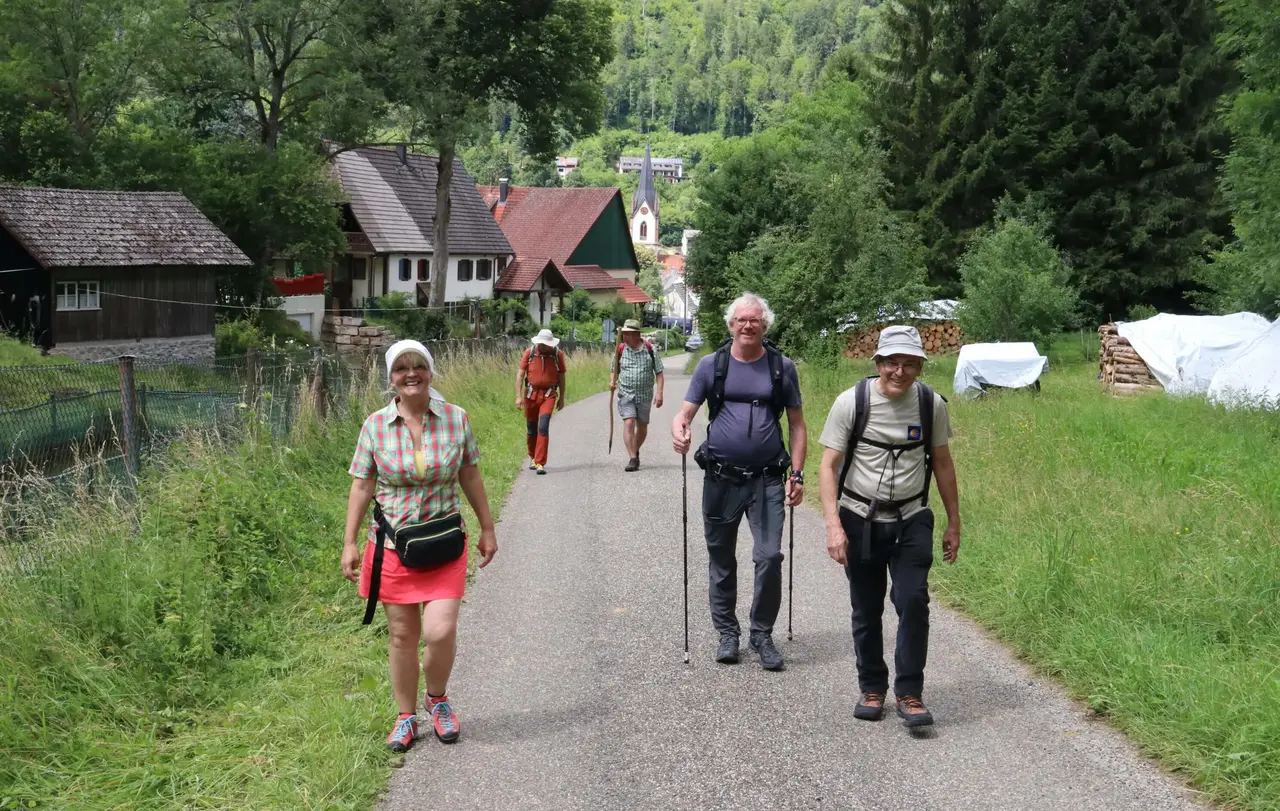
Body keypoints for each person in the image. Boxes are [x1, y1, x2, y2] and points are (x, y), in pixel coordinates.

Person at [343, 339, 499, 752]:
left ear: (430, 372)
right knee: (401, 636)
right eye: (401, 369)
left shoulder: (456, 418)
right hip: (393, 547)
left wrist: (487, 527)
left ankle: (438, 698)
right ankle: (405, 716)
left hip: (444, 542)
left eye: (418, 367)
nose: (410, 374)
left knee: (440, 630)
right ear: (390, 378)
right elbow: (362, 485)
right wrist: (349, 543)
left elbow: (471, 475)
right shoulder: (375, 425)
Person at [816, 325, 961, 728]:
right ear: (878, 363)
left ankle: (910, 692)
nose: (900, 371)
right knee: (866, 607)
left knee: (913, 600)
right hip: (859, 519)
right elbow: (828, 467)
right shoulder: (852, 402)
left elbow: (944, 467)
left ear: (920, 366)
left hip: (912, 517)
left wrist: (954, 523)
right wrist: (833, 525)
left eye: (910, 363)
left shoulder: (931, 405)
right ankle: (872, 688)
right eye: (892, 362)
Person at [671, 292, 807, 671]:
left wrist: (796, 473)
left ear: (765, 325)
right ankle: (727, 633)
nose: (748, 326)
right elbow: (684, 413)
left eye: (755, 320)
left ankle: (761, 633)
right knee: (721, 558)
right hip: (720, 478)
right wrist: (679, 430)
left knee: (769, 556)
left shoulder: (782, 367)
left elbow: (797, 425)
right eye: (741, 320)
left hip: (767, 479)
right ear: (731, 325)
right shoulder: (712, 366)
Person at [610, 318, 665, 471]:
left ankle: (635, 449)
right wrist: (612, 381)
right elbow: (613, 369)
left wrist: (659, 393)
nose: (625, 337)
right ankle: (633, 458)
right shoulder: (620, 349)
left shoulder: (650, 349)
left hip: (645, 395)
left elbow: (659, 373)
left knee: (642, 426)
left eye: (627, 334)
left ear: (636, 335)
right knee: (629, 422)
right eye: (624, 334)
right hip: (626, 394)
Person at [516, 329, 567, 474]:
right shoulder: (529, 353)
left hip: (549, 395)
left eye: (546, 344)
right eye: (542, 344)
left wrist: (562, 397)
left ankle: (540, 462)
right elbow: (520, 375)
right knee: (531, 429)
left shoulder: (557, 354)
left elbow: (562, 376)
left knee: (543, 427)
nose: (544, 347)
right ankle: (533, 457)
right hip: (531, 395)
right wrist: (518, 396)